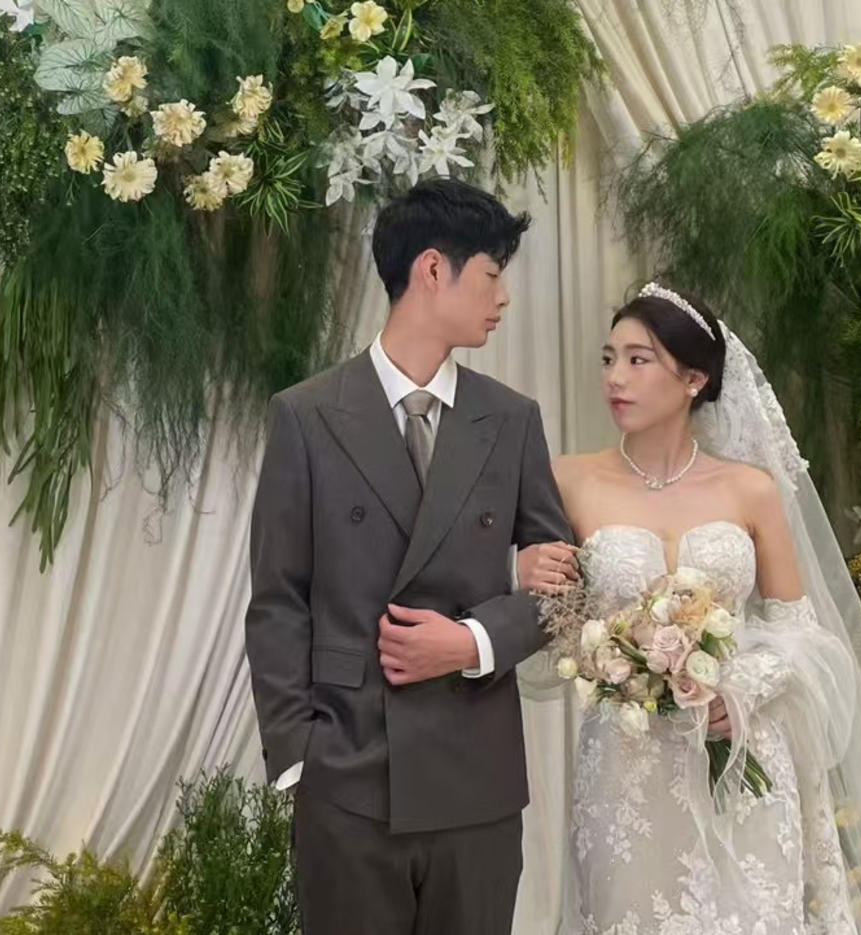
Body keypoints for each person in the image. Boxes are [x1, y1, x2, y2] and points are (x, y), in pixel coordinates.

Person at [517, 283, 861, 934]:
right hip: (627, 770)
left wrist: (736, 689)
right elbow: (545, 626)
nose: (615, 377)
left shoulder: (750, 489)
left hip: (742, 757)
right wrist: (527, 575)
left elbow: (804, 635)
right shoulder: (568, 478)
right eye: (608, 358)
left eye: (637, 359)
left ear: (694, 379)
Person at [244, 178, 574, 935]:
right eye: (491, 274)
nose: (503, 298)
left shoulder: (510, 419)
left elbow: (562, 586)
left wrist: (472, 642)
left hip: (476, 778)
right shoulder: (307, 414)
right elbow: (278, 597)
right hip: (349, 773)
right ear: (432, 269)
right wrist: (297, 756)